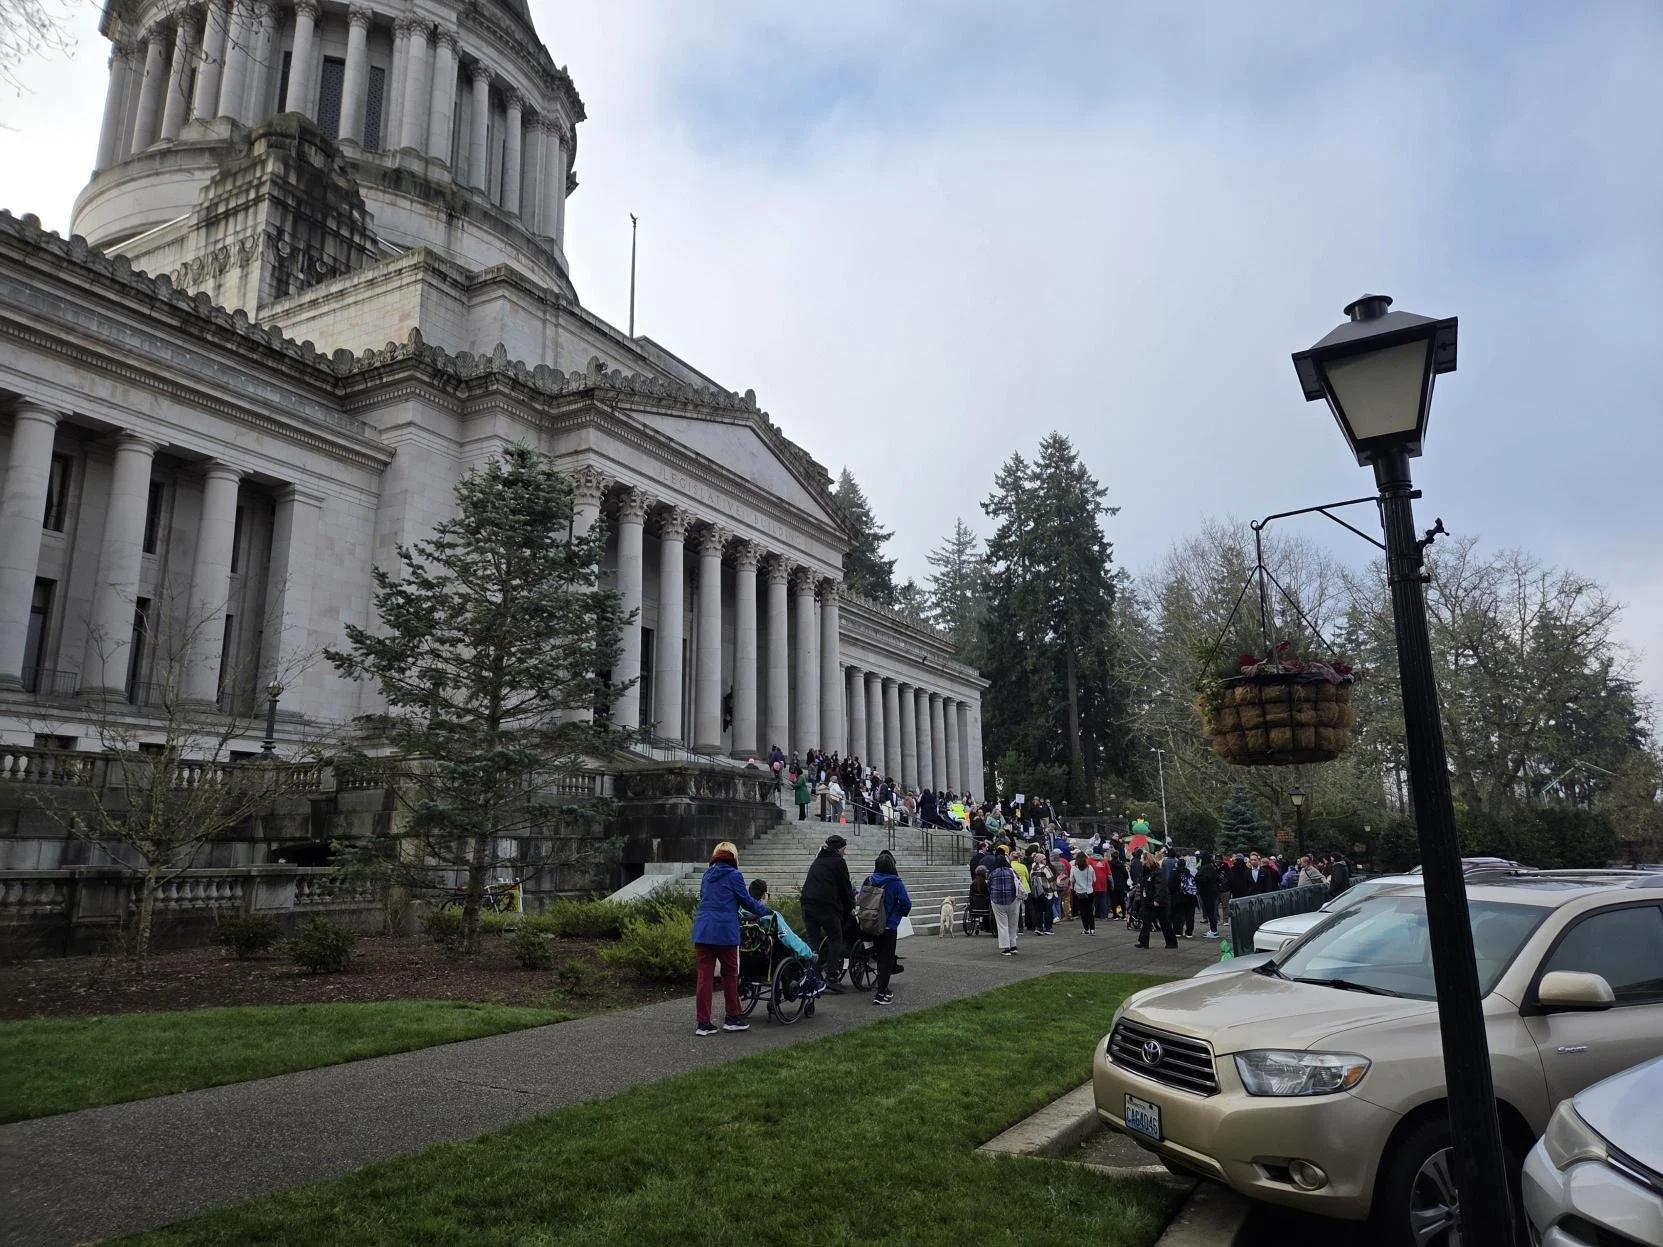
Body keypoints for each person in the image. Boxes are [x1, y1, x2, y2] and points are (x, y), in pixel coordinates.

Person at [691, 841, 771, 1036]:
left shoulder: (707, 874)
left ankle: (703, 1023)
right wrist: (765, 909)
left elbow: (704, 898)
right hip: (725, 932)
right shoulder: (734, 875)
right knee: (730, 974)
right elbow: (746, 901)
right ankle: (733, 1017)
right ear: (734, 857)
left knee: (704, 977)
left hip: (703, 930)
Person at [801, 834, 855, 993]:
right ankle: (831, 974)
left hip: (807, 903)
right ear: (839, 849)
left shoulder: (818, 860)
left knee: (813, 941)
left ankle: (814, 974)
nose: (844, 853)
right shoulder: (839, 862)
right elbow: (845, 888)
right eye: (843, 850)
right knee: (835, 937)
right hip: (826, 906)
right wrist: (850, 908)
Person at [863, 850, 911, 1005]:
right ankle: (881, 993)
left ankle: (881, 986)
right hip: (888, 926)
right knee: (886, 959)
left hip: (870, 923)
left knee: (877, 954)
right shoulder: (895, 882)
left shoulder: (869, 880)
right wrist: (896, 916)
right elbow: (906, 904)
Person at [1135, 849, 1178, 949]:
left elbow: (1160, 886)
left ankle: (1171, 942)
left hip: (1158, 901)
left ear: (1146, 860)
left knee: (1165, 922)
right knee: (1146, 921)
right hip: (1147, 900)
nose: (1140, 861)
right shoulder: (1145, 872)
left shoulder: (1156, 872)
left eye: (1142, 859)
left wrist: (1157, 900)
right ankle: (1143, 942)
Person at [987, 848, 1023, 956]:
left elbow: (989, 886)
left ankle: (1006, 947)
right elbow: (1017, 883)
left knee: (1002, 924)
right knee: (1013, 923)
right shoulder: (1011, 872)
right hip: (1012, 900)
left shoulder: (993, 873)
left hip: (997, 901)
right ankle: (1013, 945)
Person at [1195, 850, 1222, 939]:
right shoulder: (1210, 867)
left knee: (1210, 912)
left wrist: (1196, 878)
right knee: (1211, 912)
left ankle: (1214, 931)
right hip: (1211, 892)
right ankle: (1213, 930)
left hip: (1207, 893)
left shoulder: (1205, 868)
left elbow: (1201, 878)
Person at [1070, 850, 1097, 935]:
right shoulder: (1090, 868)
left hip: (1079, 892)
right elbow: (1094, 879)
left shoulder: (1074, 868)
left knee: (1083, 911)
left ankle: (1086, 929)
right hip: (1089, 891)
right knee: (1090, 911)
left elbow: (1072, 880)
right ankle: (1092, 929)